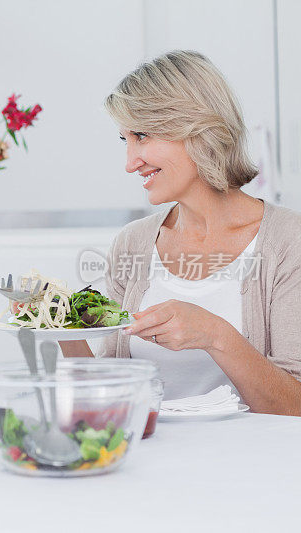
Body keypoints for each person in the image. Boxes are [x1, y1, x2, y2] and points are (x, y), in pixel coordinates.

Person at [63, 51, 301, 415]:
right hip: (148, 462)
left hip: (250, 467)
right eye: (124, 139)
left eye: (142, 135)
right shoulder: (133, 243)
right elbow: (109, 397)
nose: (130, 163)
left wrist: (215, 335)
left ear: (196, 130)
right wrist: (60, 326)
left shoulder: (287, 241)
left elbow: (295, 406)